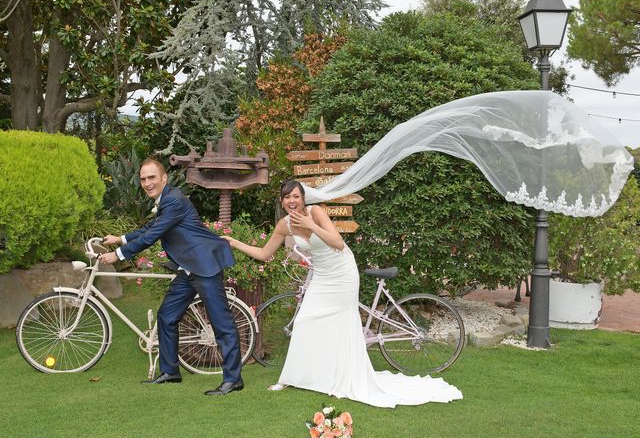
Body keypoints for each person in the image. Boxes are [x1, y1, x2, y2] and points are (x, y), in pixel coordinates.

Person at [222, 179, 463, 408]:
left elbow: (337, 242)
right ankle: (295, 377)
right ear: (282, 201)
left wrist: (310, 225)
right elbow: (265, 254)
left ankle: (341, 376)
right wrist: (235, 243)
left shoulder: (315, 213)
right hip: (322, 277)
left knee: (341, 324)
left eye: (296, 196)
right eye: (287, 197)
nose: (292, 201)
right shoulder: (283, 225)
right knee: (305, 321)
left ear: (303, 199)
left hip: (342, 272)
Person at [99, 158, 244, 396]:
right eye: (143, 179)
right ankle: (170, 372)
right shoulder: (166, 201)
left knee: (222, 323)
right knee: (167, 316)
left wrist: (118, 254)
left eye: (152, 177)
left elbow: (153, 235)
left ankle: (233, 379)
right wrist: (121, 238)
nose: (147, 183)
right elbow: (150, 228)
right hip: (187, 268)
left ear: (164, 178)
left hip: (204, 266)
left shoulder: (173, 200)